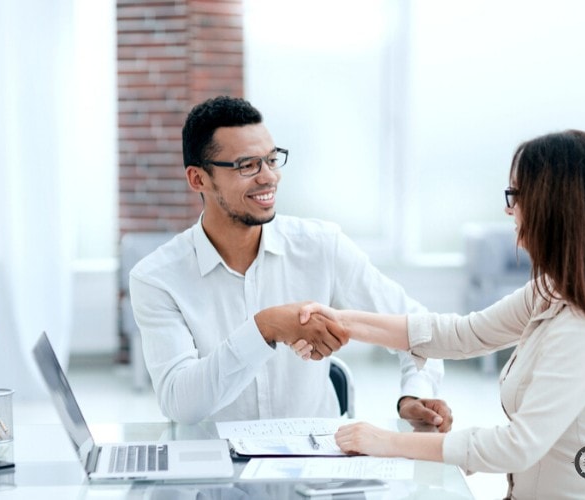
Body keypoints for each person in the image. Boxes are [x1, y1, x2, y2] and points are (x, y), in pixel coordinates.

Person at [292, 130, 585, 499]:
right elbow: (461, 335)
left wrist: (386, 441)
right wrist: (342, 321)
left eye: (516, 195)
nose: (508, 209)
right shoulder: (552, 290)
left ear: (554, 206)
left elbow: (517, 446)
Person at [129, 96, 451, 430]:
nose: (268, 177)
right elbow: (182, 405)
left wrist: (414, 395)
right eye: (247, 165)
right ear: (198, 179)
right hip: (213, 466)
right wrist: (264, 328)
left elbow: (418, 329)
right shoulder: (156, 279)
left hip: (314, 466)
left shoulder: (321, 247)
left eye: (271, 160)